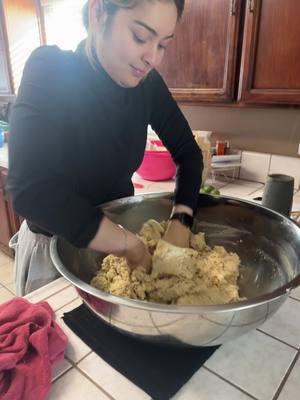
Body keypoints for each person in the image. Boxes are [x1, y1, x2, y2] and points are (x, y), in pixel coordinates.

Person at [7, 0, 203, 295]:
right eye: (140, 36)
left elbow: (189, 153)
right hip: (53, 253)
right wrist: (130, 245)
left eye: (163, 45)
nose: (153, 58)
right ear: (98, 13)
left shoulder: (147, 85)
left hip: (118, 248)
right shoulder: (50, 69)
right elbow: (31, 192)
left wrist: (181, 221)